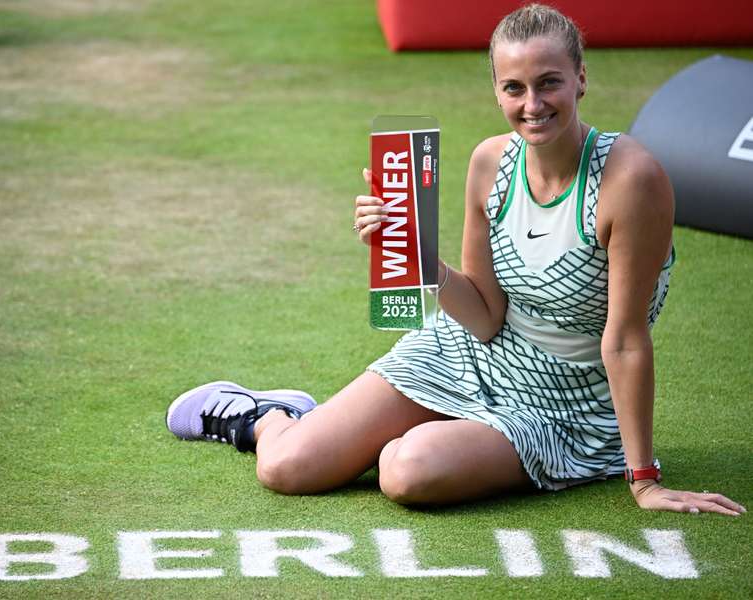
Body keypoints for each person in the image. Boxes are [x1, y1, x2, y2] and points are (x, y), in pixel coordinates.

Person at [166, 4, 745, 516]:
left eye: (550, 83)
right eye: (514, 88)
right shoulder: (490, 163)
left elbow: (623, 340)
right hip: (467, 351)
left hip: (568, 403)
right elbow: (486, 315)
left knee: (404, 470)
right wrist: (421, 259)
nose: (533, 104)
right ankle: (263, 414)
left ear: (582, 79)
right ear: (496, 90)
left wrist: (645, 481)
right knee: (287, 467)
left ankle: (444, 437)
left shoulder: (632, 180)